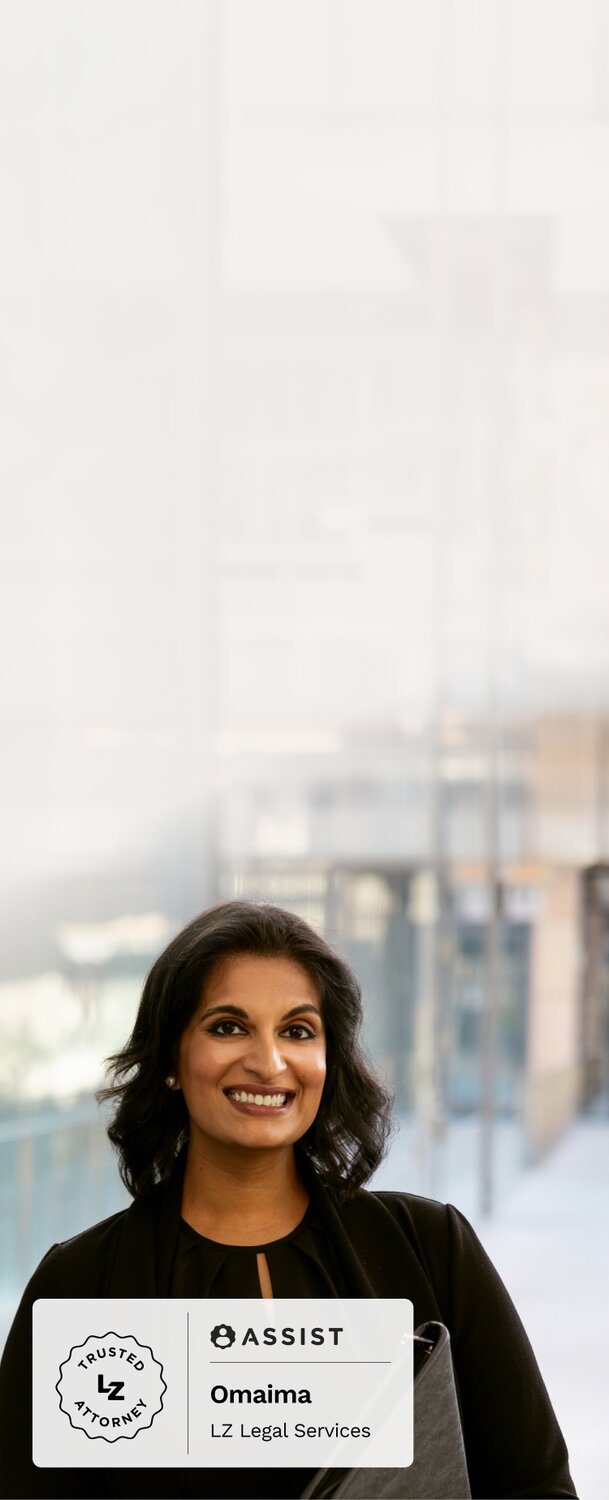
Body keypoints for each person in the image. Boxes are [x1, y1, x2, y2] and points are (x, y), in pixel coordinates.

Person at [0, 900, 577, 1500]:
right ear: (173, 1057)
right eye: (228, 1026)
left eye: (298, 1031)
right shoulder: (79, 1285)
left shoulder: (432, 1249)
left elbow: (538, 1488)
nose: (269, 1062)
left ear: (328, 1062)